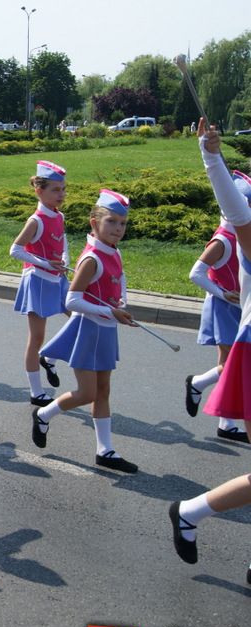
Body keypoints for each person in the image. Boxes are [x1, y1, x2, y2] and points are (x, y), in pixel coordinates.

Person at [168, 119, 251, 569]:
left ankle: (189, 512)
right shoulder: (244, 241)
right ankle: (188, 512)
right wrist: (211, 156)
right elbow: (237, 213)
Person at [32, 189, 140, 474]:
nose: (118, 229)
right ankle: (43, 413)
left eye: (122, 223)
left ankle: (105, 450)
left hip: (105, 330)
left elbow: (120, 279)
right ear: (94, 222)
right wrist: (109, 311)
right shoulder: (92, 258)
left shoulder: (113, 251)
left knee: (103, 391)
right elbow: (71, 300)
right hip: (88, 331)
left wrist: (122, 304)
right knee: (87, 392)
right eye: (112, 222)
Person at [184, 169, 248, 443]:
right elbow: (196, 273)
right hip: (223, 307)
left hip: (238, 306)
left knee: (231, 364)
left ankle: (226, 422)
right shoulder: (223, 239)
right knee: (230, 364)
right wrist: (223, 294)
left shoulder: (242, 237)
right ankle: (197, 384)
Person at [9, 161, 71, 407]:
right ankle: (36, 391)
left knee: (78, 318)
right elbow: (15, 250)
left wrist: (65, 259)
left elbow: (63, 241)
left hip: (58, 279)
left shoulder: (59, 215)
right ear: (39, 191)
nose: (61, 194)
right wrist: (44, 263)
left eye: (64, 189)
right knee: (36, 337)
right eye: (56, 190)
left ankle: (50, 357)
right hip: (37, 281)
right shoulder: (36, 220)